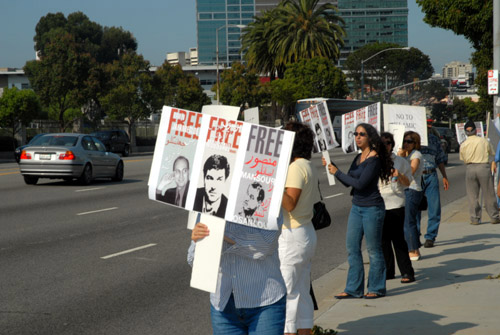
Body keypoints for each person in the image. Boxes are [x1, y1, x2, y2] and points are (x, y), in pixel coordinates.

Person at [323, 123, 392, 299]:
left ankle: (376, 288)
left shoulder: (374, 159)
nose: (358, 137)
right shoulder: (358, 158)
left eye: (362, 134)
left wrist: (337, 172)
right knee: (352, 248)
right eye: (356, 134)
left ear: (370, 137)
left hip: (372, 208)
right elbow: (348, 181)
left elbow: (360, 183)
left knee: (373, 249)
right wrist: (333, 166)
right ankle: (354, 289)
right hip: (357, 207)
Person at [188, 215, 287, 334]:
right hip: (223, 306)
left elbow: (264, 246)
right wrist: (196, 241)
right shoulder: (206, 206)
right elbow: (194, 261)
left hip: (265, 303)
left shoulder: (269, 199)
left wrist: (222, 234)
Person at [280, 121, 320, 335]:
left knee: (286, 293)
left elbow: (289, 203)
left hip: (292, 234)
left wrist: (273, 182)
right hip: (305, 231)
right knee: (302, 291)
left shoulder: (295, 168)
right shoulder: (307, 165)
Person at [379, 132, 415, 283]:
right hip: (379, 204)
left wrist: (399, 175)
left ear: (392, 145)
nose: (385, 145)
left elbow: (409, 183)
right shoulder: (374, 161)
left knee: (398, 239)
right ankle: (388, 271)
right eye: (382, 143)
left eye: (388, 143)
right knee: (383, 240)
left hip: (396, 203)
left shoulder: (400, 162)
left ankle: (407, 272)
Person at [459, 120, 500, 225]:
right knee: (489, 193)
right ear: (476, 130)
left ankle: (475, 218)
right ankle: (494, 216)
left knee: (472, 195)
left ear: (465, 132)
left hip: (470, 168)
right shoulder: (484, 141)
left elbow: (462, 159)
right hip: (483, 167)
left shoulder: (463, 144)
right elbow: (492, 153)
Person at [416, 123, 450, 248]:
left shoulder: (434, 140)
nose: (428, 128)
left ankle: (430, 237)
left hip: (431, 175)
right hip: (416, 177)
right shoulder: (410, 139)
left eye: (429, 126)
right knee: (415, 208)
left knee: (434, 207)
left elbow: (440, 159)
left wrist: (444, 176)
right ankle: (415, 236)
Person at [398, 131, 424, 261]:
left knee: (409, 221)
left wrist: (400, 158)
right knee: (407, 221)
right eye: (404, 141)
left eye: (409, 141)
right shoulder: (407, 155)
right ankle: (415, 247)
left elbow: (411, 172)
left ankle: (413, 249)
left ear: (415, 143)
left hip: (412, 190)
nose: (406, 144)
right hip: (405, 190)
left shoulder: (416, 154)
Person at [193, 154, 230, 219]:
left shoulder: (229, 207)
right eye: (210, 178)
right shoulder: (192, 194)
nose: (213, 186)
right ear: (204, 178)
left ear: (225, 181)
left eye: (219, 179)